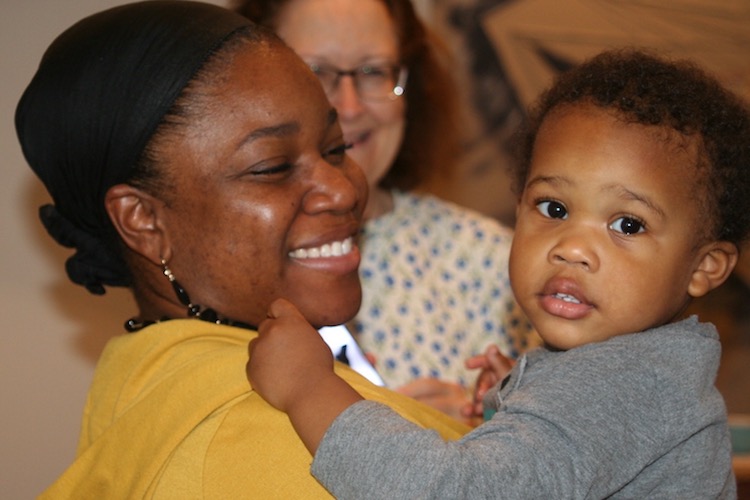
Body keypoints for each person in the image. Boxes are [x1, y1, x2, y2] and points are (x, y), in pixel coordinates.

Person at [247, 48, 750, 498]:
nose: (572, 247)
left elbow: (456, 491)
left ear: (705, 266)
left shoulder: (624, 385)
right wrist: (518, 406)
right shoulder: (641, 376)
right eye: (553, 208)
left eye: (627, 224)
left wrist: (309, 387)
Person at [16, 2, 470, 497]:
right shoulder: (268, 442)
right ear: (142, 218)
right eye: (271, 167)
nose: (342, 190)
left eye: (336, 148)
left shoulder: (148, 386)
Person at [233, 0, 535, 422]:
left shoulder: (496, 263)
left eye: (374, 71)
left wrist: (476, 432)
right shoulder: (223, 266)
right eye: (315, 71)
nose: (351, 107)